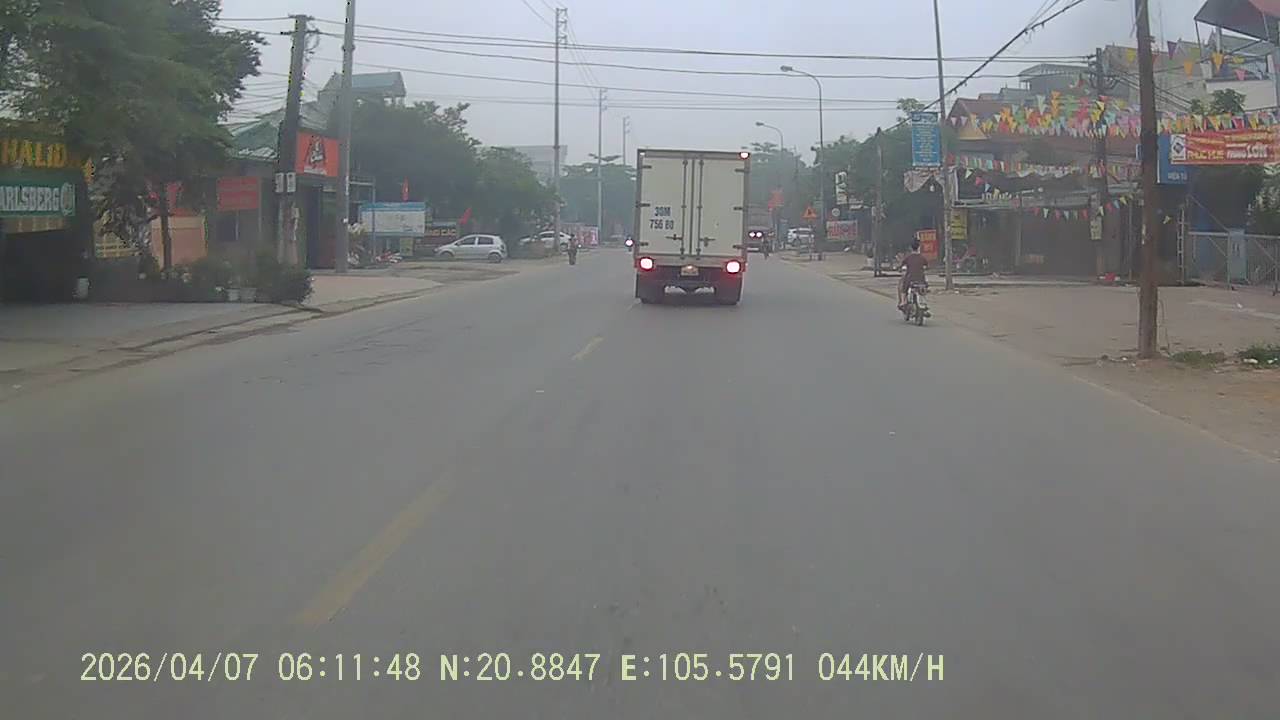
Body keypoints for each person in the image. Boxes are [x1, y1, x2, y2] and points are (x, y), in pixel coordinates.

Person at [898, 238, 928, 310]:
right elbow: (927, 265)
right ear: (918, 247)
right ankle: (924, 303)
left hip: (910, 278)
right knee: (923, 290)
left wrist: (899, 268)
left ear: (911, 248)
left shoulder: (908, 257)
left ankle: (903, 302)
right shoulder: (922, 257)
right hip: (921, 279)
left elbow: (901, 265)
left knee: (903, 288)